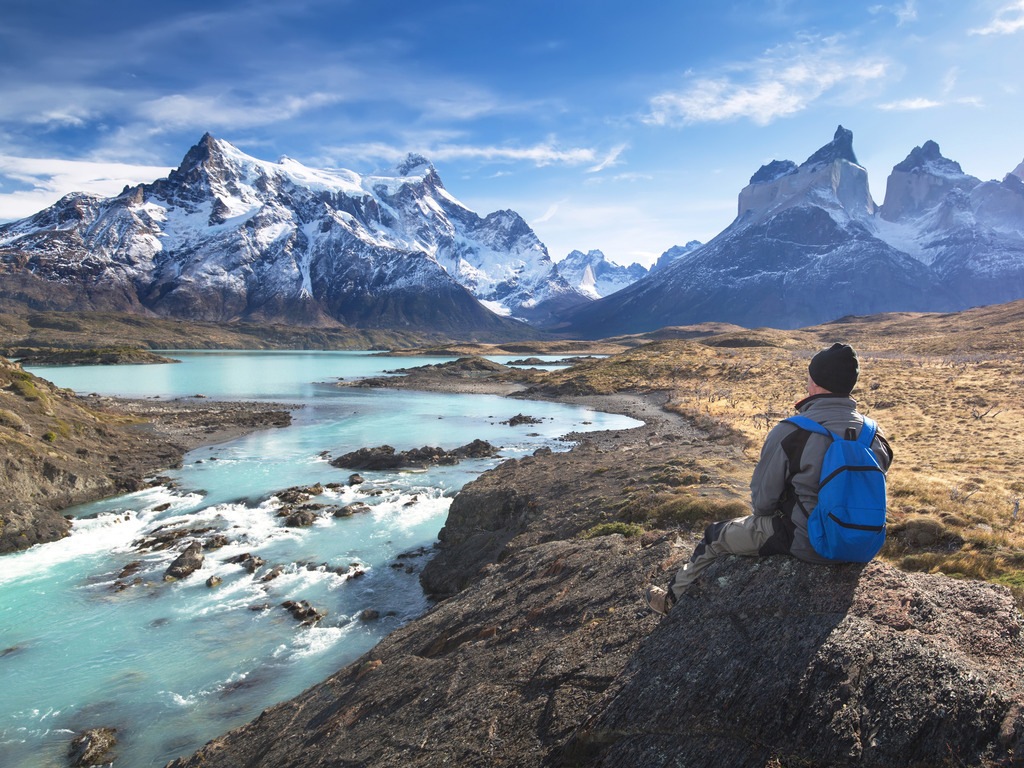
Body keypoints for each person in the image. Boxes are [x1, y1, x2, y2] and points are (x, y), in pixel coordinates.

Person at [645, 342, 894, 615]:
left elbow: (763, 503)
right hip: (863, 545)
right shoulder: (874, 434)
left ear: (815, 383)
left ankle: (671, 601)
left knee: (714, 536)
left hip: (806, 542)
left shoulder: (793, 431)